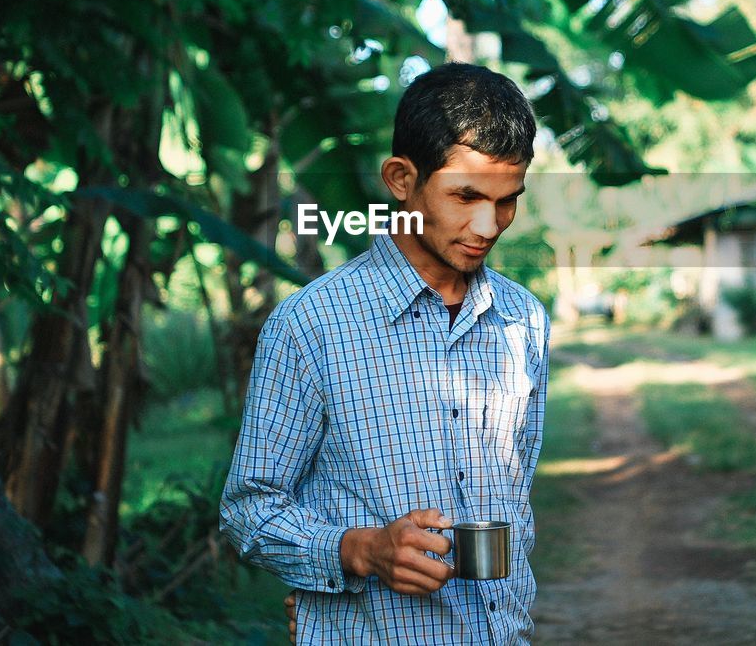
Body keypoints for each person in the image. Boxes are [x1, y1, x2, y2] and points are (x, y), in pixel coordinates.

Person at [219, 62, 551, 644]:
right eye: (465, 196)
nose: (487, 225)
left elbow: (515, 503)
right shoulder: (312, 325)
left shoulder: (524, 322)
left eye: (506, 201)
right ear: (401, 179)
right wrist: (362, 551)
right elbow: (250, 509)